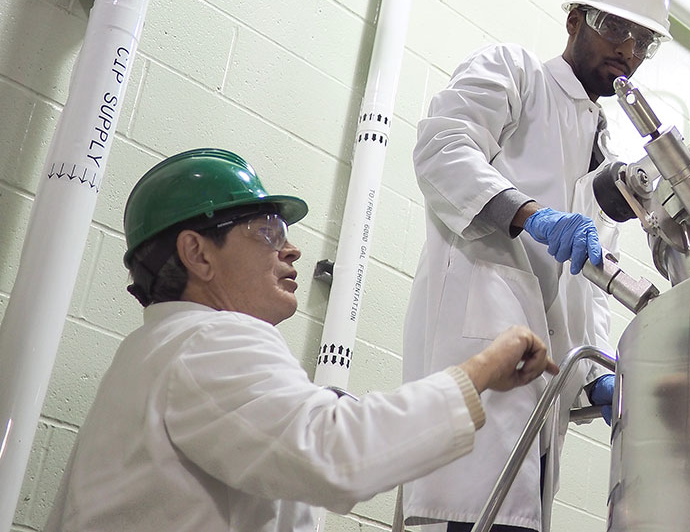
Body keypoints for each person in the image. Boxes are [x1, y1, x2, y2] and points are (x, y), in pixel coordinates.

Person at [44, 148, 558, 532]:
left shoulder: (161, 354)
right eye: (267, 230)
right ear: (198, 254)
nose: (291, 249)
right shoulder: (208, 342)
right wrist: (482, 370)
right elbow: (336, 451)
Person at [400, 0, 671, 532]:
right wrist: (532, 216)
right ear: (574, 20)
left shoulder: (602, 149)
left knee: (516, 514)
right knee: (466, 509)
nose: (627, 50)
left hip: (539, 394)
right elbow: (443, 150)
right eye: (614, 28)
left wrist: (591, 377)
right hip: (477, 358)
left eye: (643, 39)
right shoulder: (514, 72)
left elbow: (585, 291)